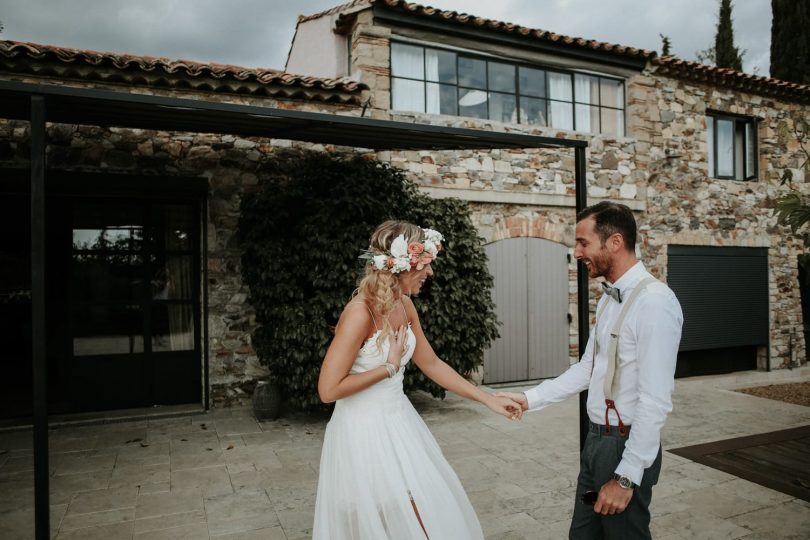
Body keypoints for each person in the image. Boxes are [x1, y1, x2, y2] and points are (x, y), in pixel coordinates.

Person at [313, 220, 522, 540]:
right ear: (401, 266)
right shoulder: (359, 313)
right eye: (425, 265)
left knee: (422, 513)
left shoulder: (404, 304)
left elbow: (432, 363)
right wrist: (389, 367)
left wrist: (488, 399)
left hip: (400, 424)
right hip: (364, 434)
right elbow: (328, 390)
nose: (431, 273)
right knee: (384, 520)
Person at [498, 202, 683, 539]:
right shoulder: (609, 299)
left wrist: (626, 475)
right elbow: (588, 368)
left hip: (624, 446)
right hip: (596, 441)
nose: (577, 251)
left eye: (583, 243)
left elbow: (655, 400)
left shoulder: (655, 302)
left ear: (614, 242)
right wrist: (529, 398)